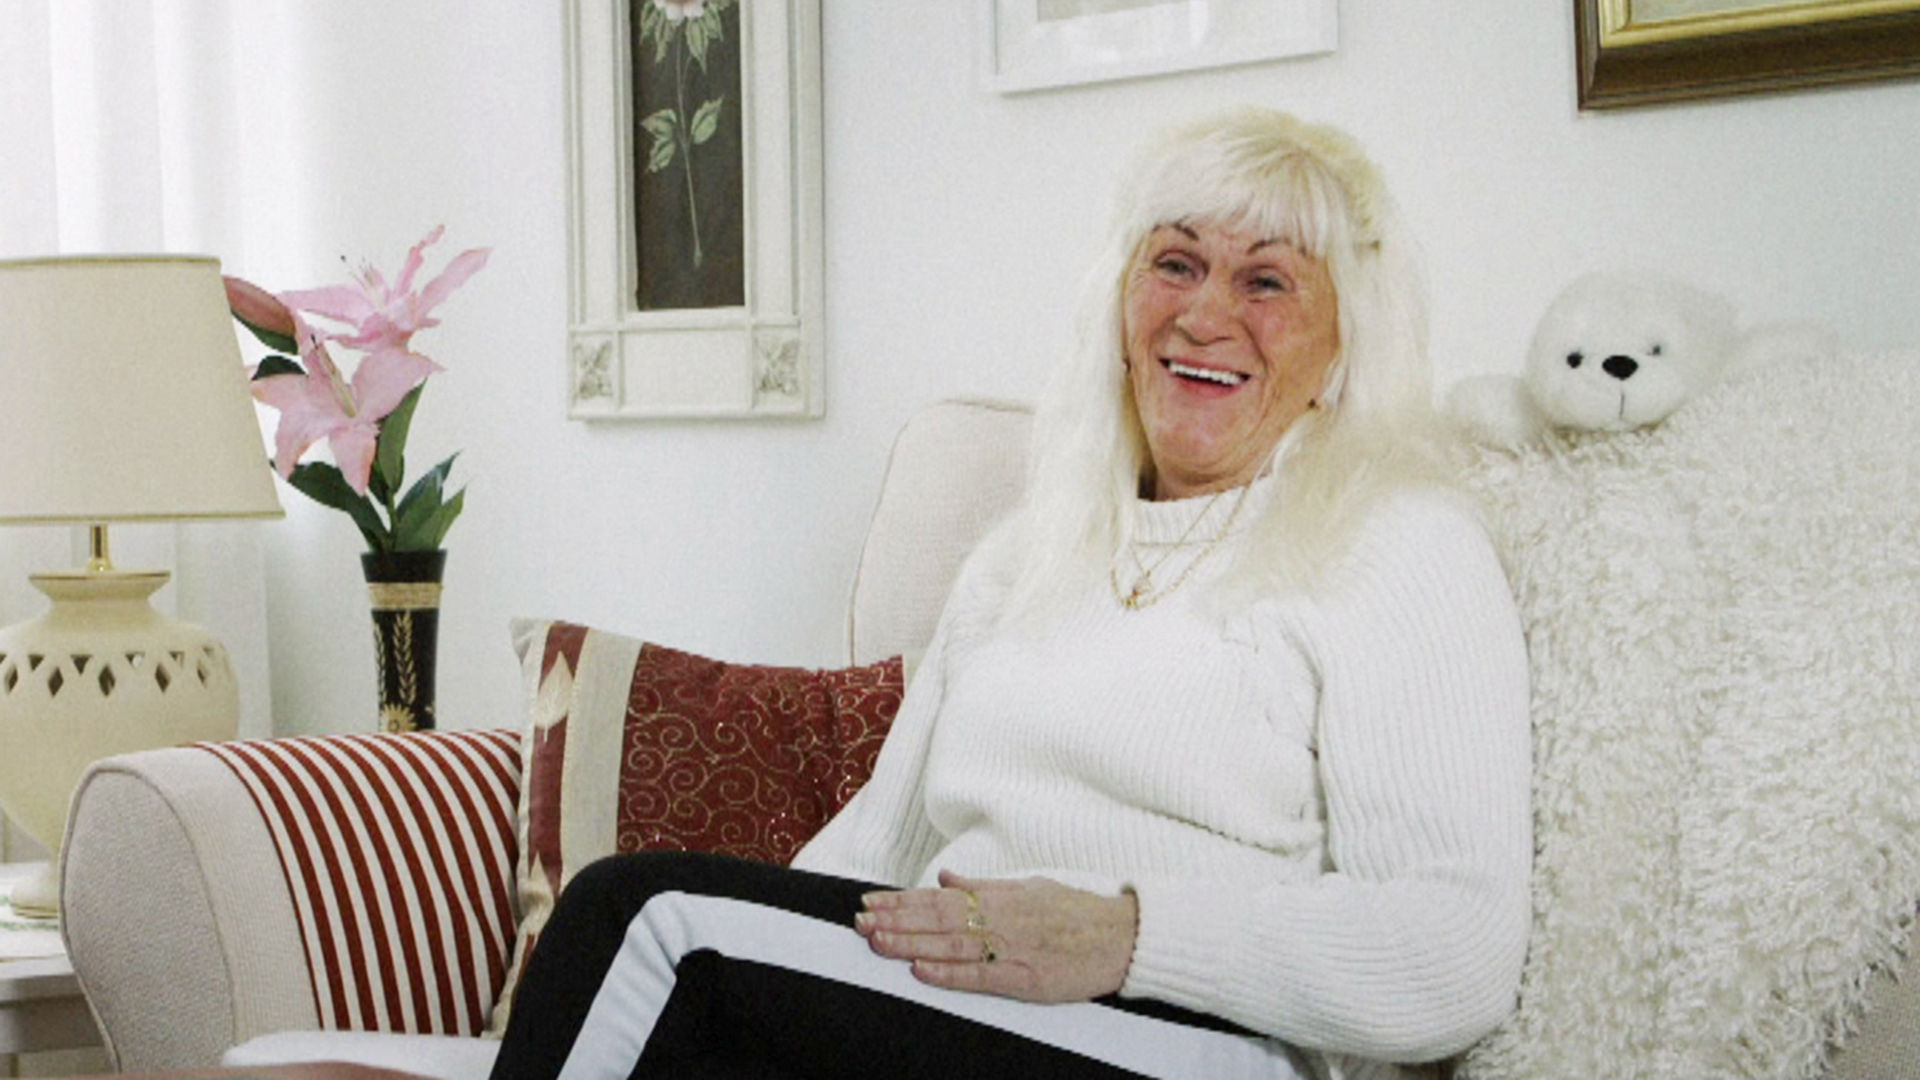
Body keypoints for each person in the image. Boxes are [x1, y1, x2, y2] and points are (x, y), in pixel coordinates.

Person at [489, 106, 1532, 1080]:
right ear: (1120, 308)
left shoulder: (1398, 543)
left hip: (1205, 1043)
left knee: (647, 919)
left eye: (1267, 282)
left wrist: (1126, 936)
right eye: (1175, 264)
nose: (1206, 314)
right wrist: (777, 968)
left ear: (1344, 346)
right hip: (963, 1016)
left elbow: (1457, 951)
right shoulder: (1026, 555)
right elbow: (868, 860)